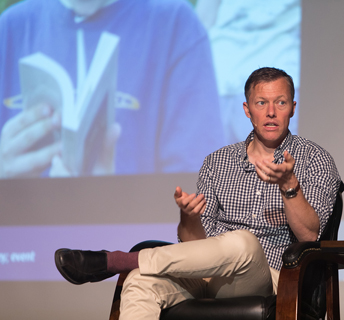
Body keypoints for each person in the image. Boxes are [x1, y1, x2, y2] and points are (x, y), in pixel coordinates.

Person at [54, 67, 341, 320]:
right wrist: (188, 218)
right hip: (208, 275)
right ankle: (132, 265)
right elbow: (196, 245)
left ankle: (116, 261)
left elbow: (309, 235)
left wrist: (289, 185)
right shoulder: (217, 162)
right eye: (261, 103)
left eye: (279, 103)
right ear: (246, 109)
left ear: (292, 107)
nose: (270, 112)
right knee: (140, 281)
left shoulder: (314, 159)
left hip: (272, 277)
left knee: (243, 243)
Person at [0, 0, 224, 178]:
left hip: (136, 232)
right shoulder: (9, 29)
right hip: (25, 231)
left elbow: (198, 192)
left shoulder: (175, 24)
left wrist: (111, 201)